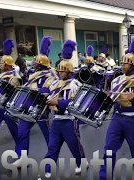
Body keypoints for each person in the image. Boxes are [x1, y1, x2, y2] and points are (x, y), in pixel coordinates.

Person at [99, 33, 134, 180]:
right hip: (117, 118)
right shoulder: (117, 80)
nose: (122, 66)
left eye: (125, 63)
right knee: (109, 148)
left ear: (133, 64)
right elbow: (114, 99)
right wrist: (107, 97)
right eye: (121, 63)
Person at [39, 40, 87, 179]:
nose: (59, 72)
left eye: (62, 70)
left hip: (69, 120)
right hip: (57, 120)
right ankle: (46, 170)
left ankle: (81, 163)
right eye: (59, 69)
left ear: (69, 71)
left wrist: (58, 102)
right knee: (52, 148)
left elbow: (76, 102)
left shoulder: (74, 84)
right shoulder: (54, 82)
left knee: (74, 146)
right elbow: (46, 93)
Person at [12, 36, 58, 168]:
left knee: (49, 135)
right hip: (29, 107)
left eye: (36, 62)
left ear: (41, 64)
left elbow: (50, 90)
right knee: (22, 131)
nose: (34, 64)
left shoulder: (51, 75)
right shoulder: (32, 74)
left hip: (42, 109)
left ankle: (52, 157)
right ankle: (23, 157)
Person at [0, 39, 22, 143]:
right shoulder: (0, 75)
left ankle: (21, 152)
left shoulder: (14, 76)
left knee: (15, 131)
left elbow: (14, 91)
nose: (0, 64)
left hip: (8, 107)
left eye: (2, 62)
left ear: (8, 64)